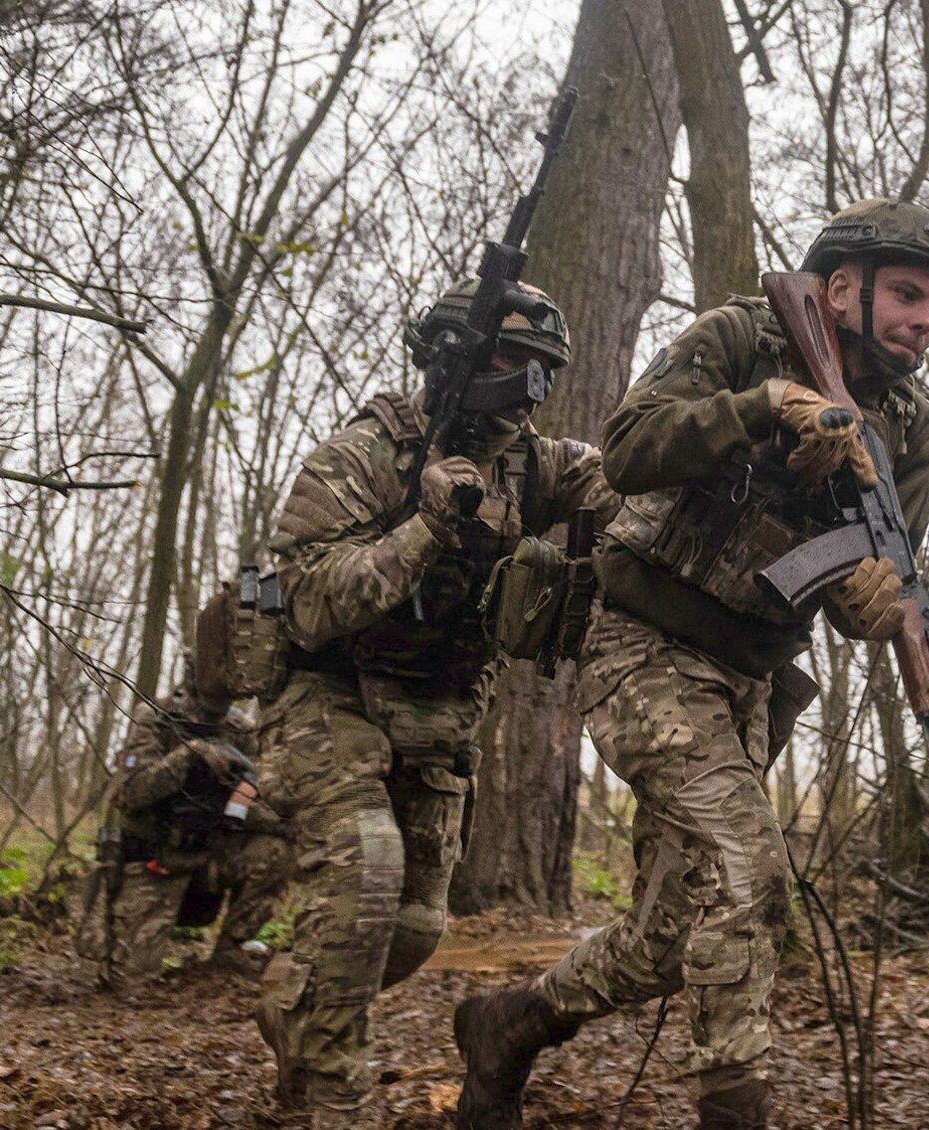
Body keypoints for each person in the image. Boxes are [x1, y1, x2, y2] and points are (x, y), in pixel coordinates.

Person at [452, 199, 929, 1130]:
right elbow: (628, 447)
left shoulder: (913, 434)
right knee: (750, 867)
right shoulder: (743, 336)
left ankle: (510, 1024)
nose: (923, 321)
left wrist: (871, 603)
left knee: (669, 939)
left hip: (750, 685)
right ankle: (736, 1113)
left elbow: (879, 580)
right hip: (640, 642)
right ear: (841, 288)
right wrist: (760, 408)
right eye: (905, 295)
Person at [254, 279, 618, 1126]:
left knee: (413, 928)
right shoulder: (365, 454)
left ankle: (293, 1002)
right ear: (453, 355)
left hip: (439, 715)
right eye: (508, 358)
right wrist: (422, 529)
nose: (526, 384)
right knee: (367, 879)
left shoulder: (537, 463)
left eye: (541, 367)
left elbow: (624, 492)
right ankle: (334, 1103)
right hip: (327, 694)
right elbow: (305, 600)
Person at [82, 674, 289, 990]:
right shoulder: (156, 717)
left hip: (208, 856)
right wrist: (189, 758)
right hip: (155, 862)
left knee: (278, 850)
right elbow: (127, 793)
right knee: (129, 983)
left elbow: (254, 798)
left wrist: (283, 822)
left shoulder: (242, 730)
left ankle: (230, 950)